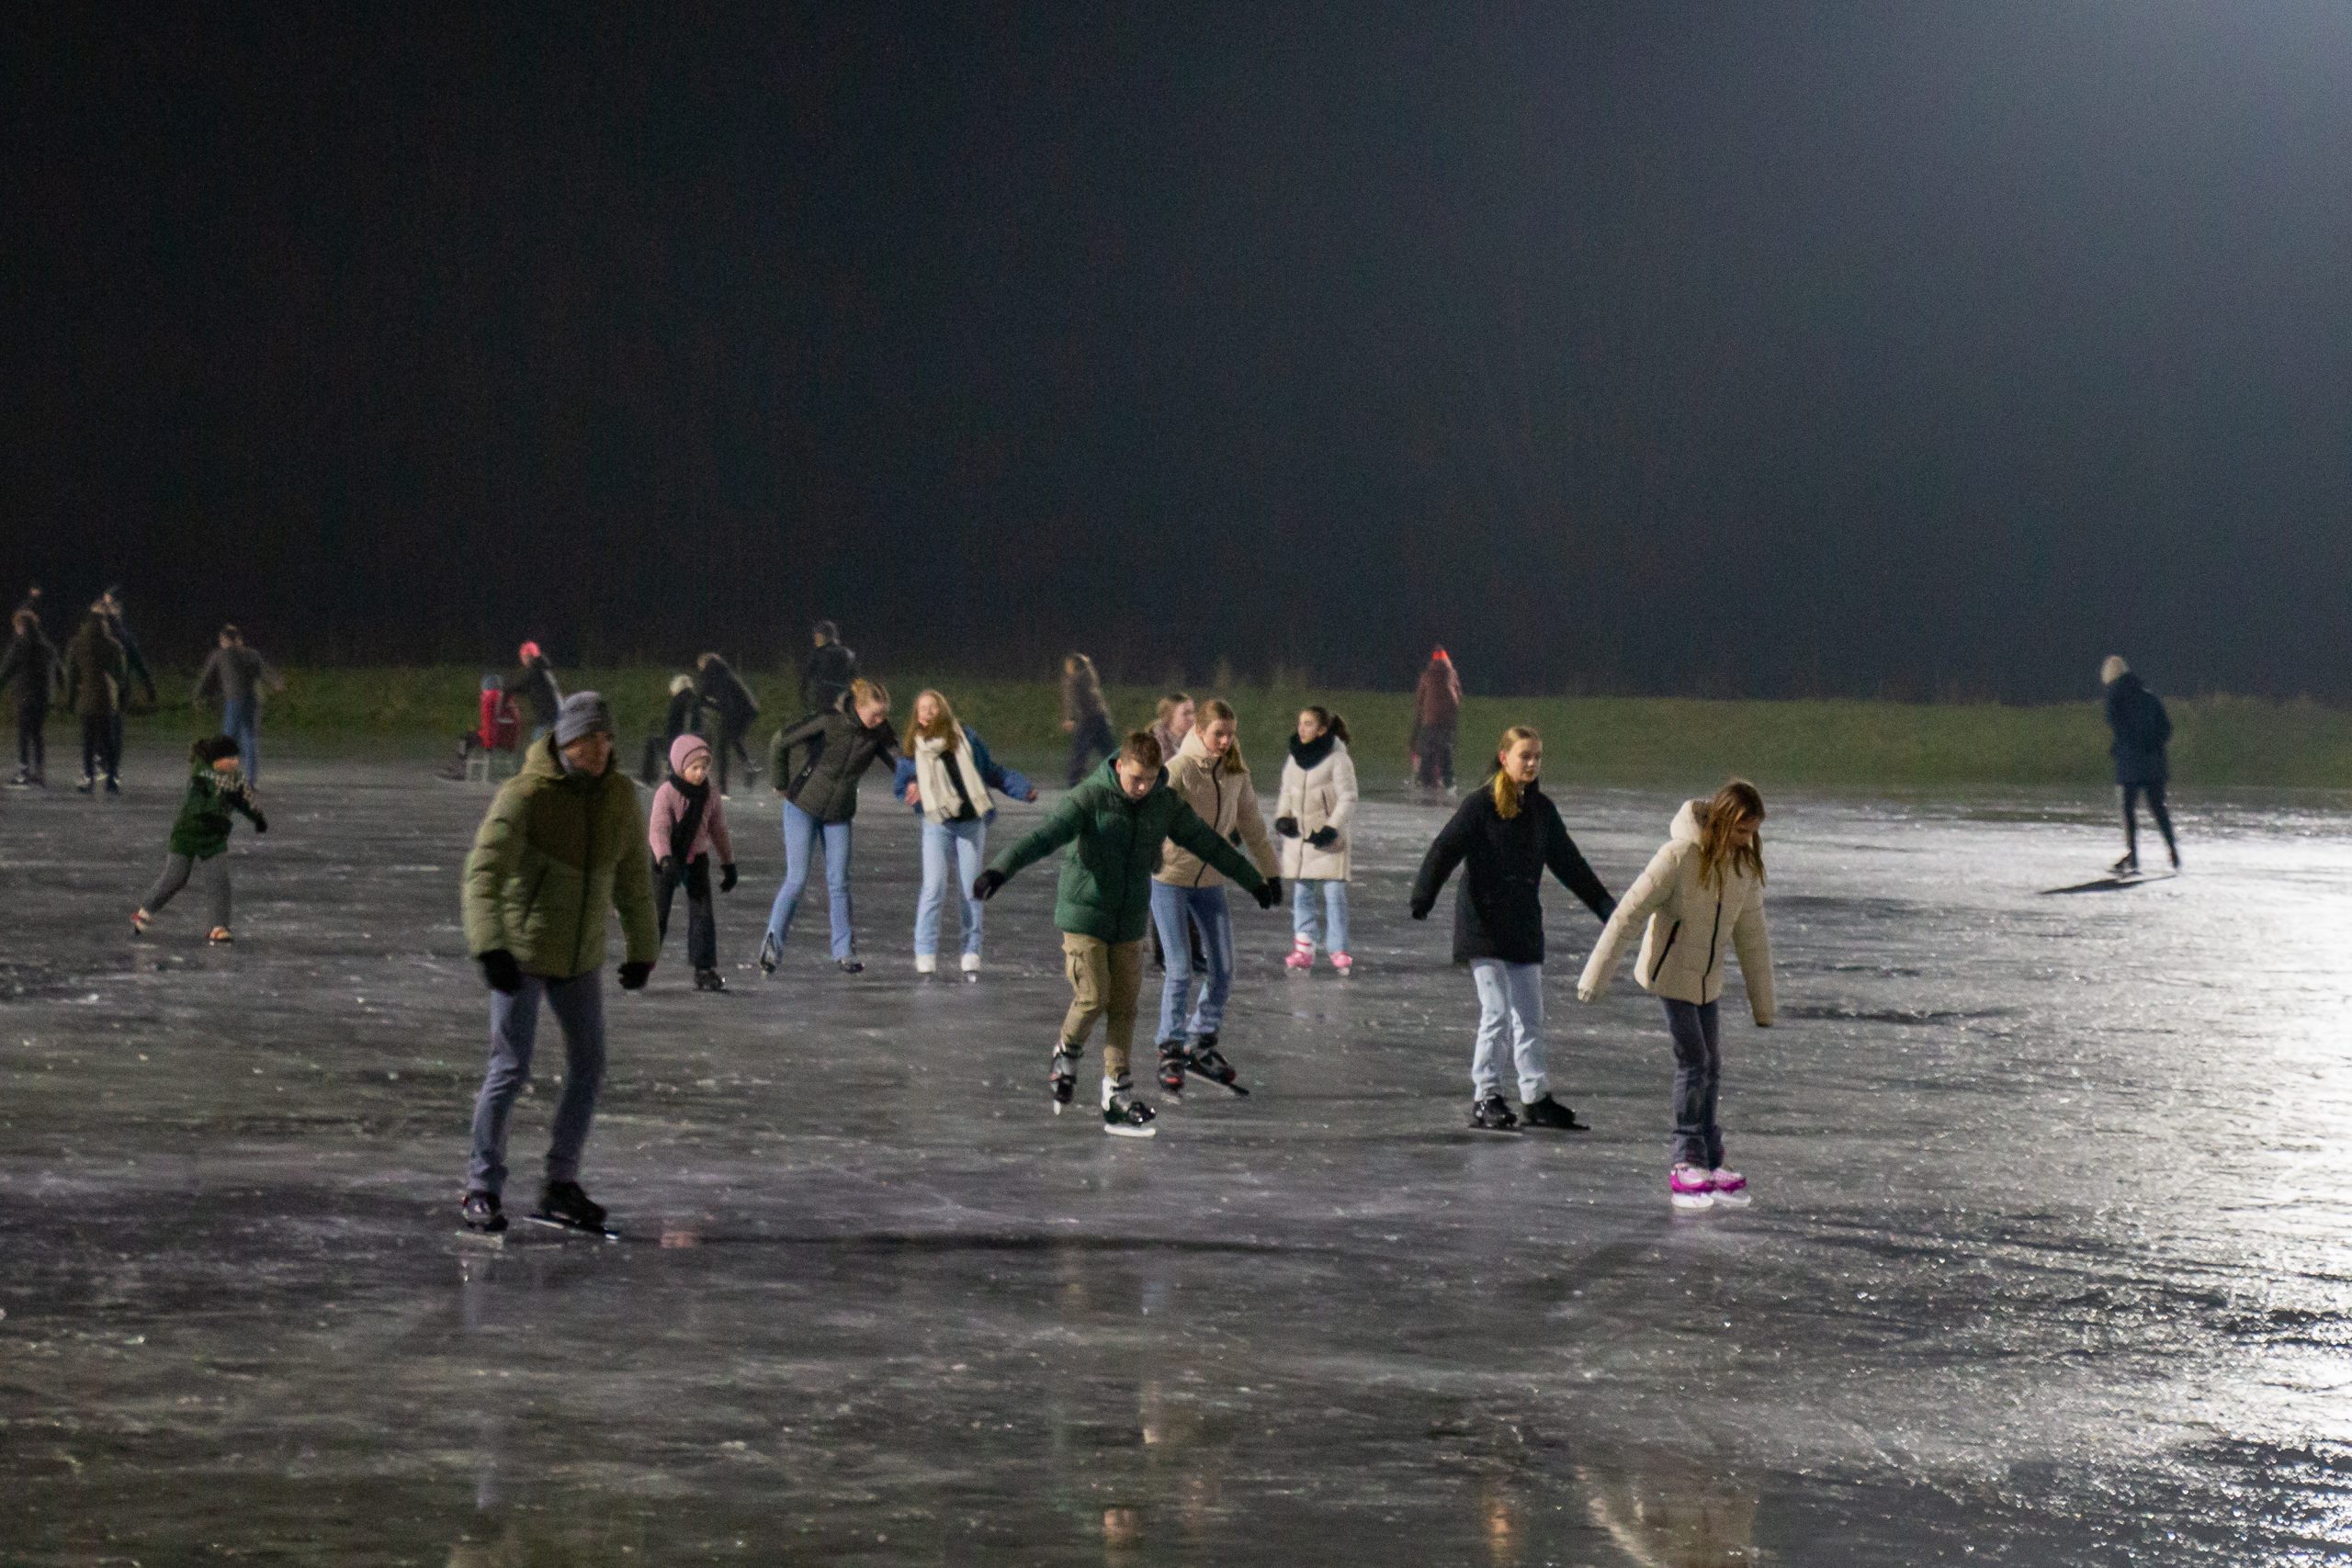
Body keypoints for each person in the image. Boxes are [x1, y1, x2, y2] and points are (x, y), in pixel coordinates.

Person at [974, 730, 1279, 1137]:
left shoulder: (1162, 803)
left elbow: (1208, 843)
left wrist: (1253, 880)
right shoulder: (1091, 797)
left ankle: (1117, 1093)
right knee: (1094, 996)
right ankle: (1067, 1051)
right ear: (1119, 766)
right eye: (1135, 778)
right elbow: (1043, 837)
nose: (1141, 787)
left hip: (1130, 919)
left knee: (1124, 1006)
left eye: (1150, 780)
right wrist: (1000, 869)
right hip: (1085, 915)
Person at [458, 692, 660, 1236]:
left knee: (590, 1066)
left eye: (608, 737)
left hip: (580, 958)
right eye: (592, 738)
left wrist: (644, 948)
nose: (602, 748)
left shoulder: (619, 795)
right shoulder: (526, 794)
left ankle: (560, 1184)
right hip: (521, 954)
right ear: (569, 739)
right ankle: (482, 1186)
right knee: (509, 1068)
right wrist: (491, 947)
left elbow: (634, 881)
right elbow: (484, 875)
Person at [1577, 781, 1776, 1213]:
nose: (1748, 840)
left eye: (1753, 832)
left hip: (1707, 980)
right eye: (1741, 830)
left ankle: (1709, 1157)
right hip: (1669, 974)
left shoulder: (1742, 868)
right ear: (1722, 821)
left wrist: (1765, 1005)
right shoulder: (1679, 857)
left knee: (1713, 1063)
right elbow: (1629, 914)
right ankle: (1685, 1159)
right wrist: (1596, 976)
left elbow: (1753, 939)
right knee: (1694, 1060)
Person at [1408, 725, 1615, 1134]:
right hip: (1482, 924)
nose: (1533, 763)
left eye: (1538, 756)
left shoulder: (1542, 812)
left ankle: (1535, 1098)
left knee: (1530, 1017)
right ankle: (1485, 1095)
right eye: (1525, 756)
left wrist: (1605, 906)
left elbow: (1570, 864)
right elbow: (1444, 849)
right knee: (1497, 1012)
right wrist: (1424, 895)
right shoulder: (1481, 806)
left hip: (1522, 926)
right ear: (1505, 758)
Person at [1149, 699, 1281, 1096]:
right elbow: (1152, 815)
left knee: (1223, 968)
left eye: (1229, 734)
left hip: (1211, 883)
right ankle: (1170, 1047)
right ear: (1200, 733)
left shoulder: (1235, 773)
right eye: (1217, 734)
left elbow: (1253, 825)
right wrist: (1149, 854)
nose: (1224, 741)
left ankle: (1200, 1040)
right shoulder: (1180, 770)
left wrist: (1270, 873)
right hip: (1170, 878)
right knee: (1179, 967)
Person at [892, 689, 1037, 976]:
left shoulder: (966, 739)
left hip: (971, 823)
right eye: (923, 708)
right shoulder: (912, 751)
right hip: (937, 824)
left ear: (943, 710)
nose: (928, 712)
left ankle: (971, 949)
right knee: (933, 887)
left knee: (972, 889)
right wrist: (911, 790)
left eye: (933, 707)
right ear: (917, 717)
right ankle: (925, 950)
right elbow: (901, 786)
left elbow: (992, 772)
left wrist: (1022, 789)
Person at [761, 677, 899, 976]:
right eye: (876, 714)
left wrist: (919, 785)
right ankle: (772, 946)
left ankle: (845, 952)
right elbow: (779, 740)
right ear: (859, 707)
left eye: (884, 714)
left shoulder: (879, 733)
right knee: (796, 879)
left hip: (839, 815)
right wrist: (780, 783)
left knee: (839, 883)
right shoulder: (829, 721)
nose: (880, 720)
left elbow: (902, 765)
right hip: (802, 808)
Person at [131, 736, 267, 944]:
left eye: (236, 757)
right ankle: (145, 911)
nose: (235, 762)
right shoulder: (200, 776)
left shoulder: (235, 778)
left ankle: (219, 927)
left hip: (214, 837)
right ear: (217, 760)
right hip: (188, 833)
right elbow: (197, 806)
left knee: (219, 881)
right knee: (176, 878)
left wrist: (257, 817)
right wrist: (220, 800)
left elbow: (245, 800)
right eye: (230, 758)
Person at [647, 734, 738, 993]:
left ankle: (704, 968)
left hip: (696, 858)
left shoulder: (709, 794)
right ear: (679, 765)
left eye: (705, 767)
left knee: (702, 914)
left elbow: (718, 830)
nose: (700, 773)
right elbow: (658, 830)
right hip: (666, 859)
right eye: (694, 767)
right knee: (658, 914)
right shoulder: (666, 793)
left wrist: (728, 864)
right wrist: (665, 859)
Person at [1275, 705, 1360, 976]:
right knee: (1302, 893)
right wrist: (1283, 817)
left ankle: (1338, 949)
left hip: (1327, 838)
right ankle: (1304, 947)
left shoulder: (1338, 759)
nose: (1302, 728)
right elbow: (1287, 790)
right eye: (1300, 723)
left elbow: (1348, 797)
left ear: (1322, 729)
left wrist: (1331, 827)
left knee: (1334, 894)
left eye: (1309, 724)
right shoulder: (1294, 756)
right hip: (1300, 839)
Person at [2101, 656, 2177, 874]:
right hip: (2154, 762)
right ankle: (2172, 850)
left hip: (2130, 763)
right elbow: (2166, 728)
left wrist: (2122, 748)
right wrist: (2153, 745)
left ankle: (2133, 856)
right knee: (2158, 808)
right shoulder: (2149, 697)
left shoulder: (2115, 699)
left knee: (2128, 810)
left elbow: (2120, 729)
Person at [192, 625, 285, 785]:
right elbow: (264, 672)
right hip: (252, 700)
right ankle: (251, 780)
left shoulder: (219, 655)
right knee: (249, 738)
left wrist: (197, 696)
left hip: (234, 700)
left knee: (227, 739)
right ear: (238, 639)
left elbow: (206, 677)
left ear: (224, 640)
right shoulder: (252, 654)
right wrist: (276, 682)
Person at [62, 604, 127, 795]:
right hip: (106, 700)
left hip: (86, 699)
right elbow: (120, 675)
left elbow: (72, 676)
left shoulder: (76, 644)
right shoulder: (114, 645)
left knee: (88, 741)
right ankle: (112, 779)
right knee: (109, 741)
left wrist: (71, 700)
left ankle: (88, 777)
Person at [97, 588, 158, 771]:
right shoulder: (119, 635)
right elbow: (139, 663)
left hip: (110, 686)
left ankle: (104, 761)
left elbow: (137, 661)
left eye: (109, 605)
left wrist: (148, 685)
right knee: (112, 724)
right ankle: (107, 762)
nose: (106, 608)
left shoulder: (114, 634)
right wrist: (148, 686)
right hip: (116, 686)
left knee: (106, 723)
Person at [1, 607, 60, 786]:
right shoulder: (46, 645)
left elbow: (7, 670)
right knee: (37, 733)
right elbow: (58, 668)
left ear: (21, 626)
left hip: (25, 696)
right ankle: (40, 772)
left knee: (24, 734)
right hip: (43, 697)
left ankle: (24, 771)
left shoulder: (19, 646)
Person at [694, 652, 763, 795]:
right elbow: (710, 697)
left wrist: (710, 704)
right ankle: (748, 766)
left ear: (705, 664)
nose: (700, 670)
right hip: (748, 710)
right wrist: (709, 703)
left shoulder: (715, 676)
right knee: (734, 738)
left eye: (700, 667)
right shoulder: (723, 673)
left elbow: (717, 699)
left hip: (737, 712)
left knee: (723, 746)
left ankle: (723, 788)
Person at [1410, 647, 1464, 791]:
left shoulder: (1427, 675)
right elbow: (1458, 696)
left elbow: (1420, 701)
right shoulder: (1452, 674)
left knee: (1427, 751)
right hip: (1448, 720)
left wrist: (1418, 724)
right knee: (1446, 752)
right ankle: (1449, 783)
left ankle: (1425, 783)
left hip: (1430, 720)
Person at [1060, 652, 1116, 787]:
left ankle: (1074, 781)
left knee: (1080, 750)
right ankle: (1119, 775)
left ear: (1073, 665)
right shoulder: (1089, 675)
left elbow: (1069, 700)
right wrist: (1087, 662)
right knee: (1107, 749)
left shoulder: (1074, 679)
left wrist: (1068, 718)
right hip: (1099, 717)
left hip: (1088, 719)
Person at [502, 641, 562, 742]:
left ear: (528, 656)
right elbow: (527, 688)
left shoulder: (535, 670)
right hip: (557, 714)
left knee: (536, 747)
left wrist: (506, 689)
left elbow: (523, 685)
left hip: (549, 717)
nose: (522, 659)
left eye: (522, 656)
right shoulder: (543, 669)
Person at [801, 620, 859, 715]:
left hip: (824, 704)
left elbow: (805, 680)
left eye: (818, 636)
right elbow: (856, 680)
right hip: (845, 705)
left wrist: (806, 705)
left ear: (825, 637)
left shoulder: (818, 654)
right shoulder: (849, 654)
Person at [1148, 693, 1194, 768]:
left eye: (1192, 712)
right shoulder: (1154, 744)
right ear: (1169, 716)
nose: (1191, 718)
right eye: (1185, 713)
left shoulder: (1196, 741)